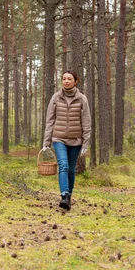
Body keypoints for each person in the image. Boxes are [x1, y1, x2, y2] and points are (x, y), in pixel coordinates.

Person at [42, 70, 91, 210]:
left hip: (76, 140)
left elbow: (87, 122)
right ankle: (64, 195)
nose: (66, 81)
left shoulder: (82, 99)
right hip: (59, 139)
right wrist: (46, 142)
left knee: (71, 169)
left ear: (75, 81)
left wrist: (85, 143)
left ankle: (69, 196)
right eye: (64, 79)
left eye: (69, 79)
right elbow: (50, 120)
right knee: (63, 165)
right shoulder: (56, 98)